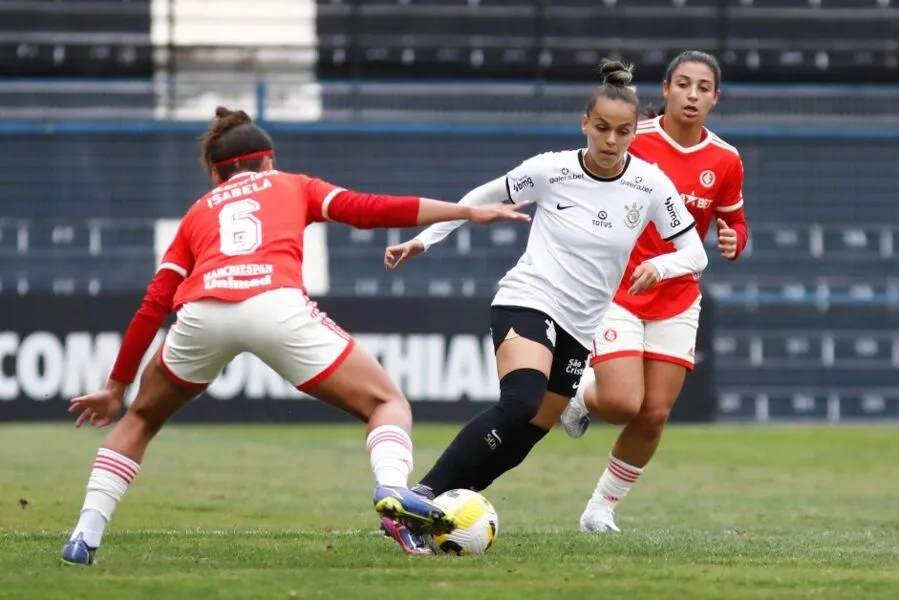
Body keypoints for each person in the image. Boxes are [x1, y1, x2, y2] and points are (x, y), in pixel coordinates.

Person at [59, 106, 531, 565]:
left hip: (203, 312)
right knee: (385, 404)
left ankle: (84, 536)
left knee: (140, 418)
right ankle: (392, 487)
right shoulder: (291, 184)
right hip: (274, 304)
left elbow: (155, 301)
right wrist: (467, 213)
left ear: (218, 174)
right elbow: (367, 209)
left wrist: (116, 386)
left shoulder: (199, 212)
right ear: (267, 160)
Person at [379, 60, 709, 554]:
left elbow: (695, 253)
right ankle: (420, 496)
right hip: (529, 299)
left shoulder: (650, 184)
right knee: (521, 401)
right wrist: (425, 241)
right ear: (585, 124)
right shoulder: (550, 169)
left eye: (622, 131)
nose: (611, 140)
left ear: (632, 133)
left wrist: (662, 268)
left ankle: (439, 513)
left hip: (581, 326)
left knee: (527, 432)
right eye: (601, 128)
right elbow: (478, 198)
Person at [559, 50, 750, 533]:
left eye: (703, 88)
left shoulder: (725, 160)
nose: (692, 95)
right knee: (623, 403)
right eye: (683, 84)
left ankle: (601, 508)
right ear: (665, 90)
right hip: (618, 289)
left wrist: (735, 239)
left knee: (654, 413)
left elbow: (735, 222)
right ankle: (579, 396)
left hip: (678, 296)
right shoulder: (632, 139)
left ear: (715, 98)